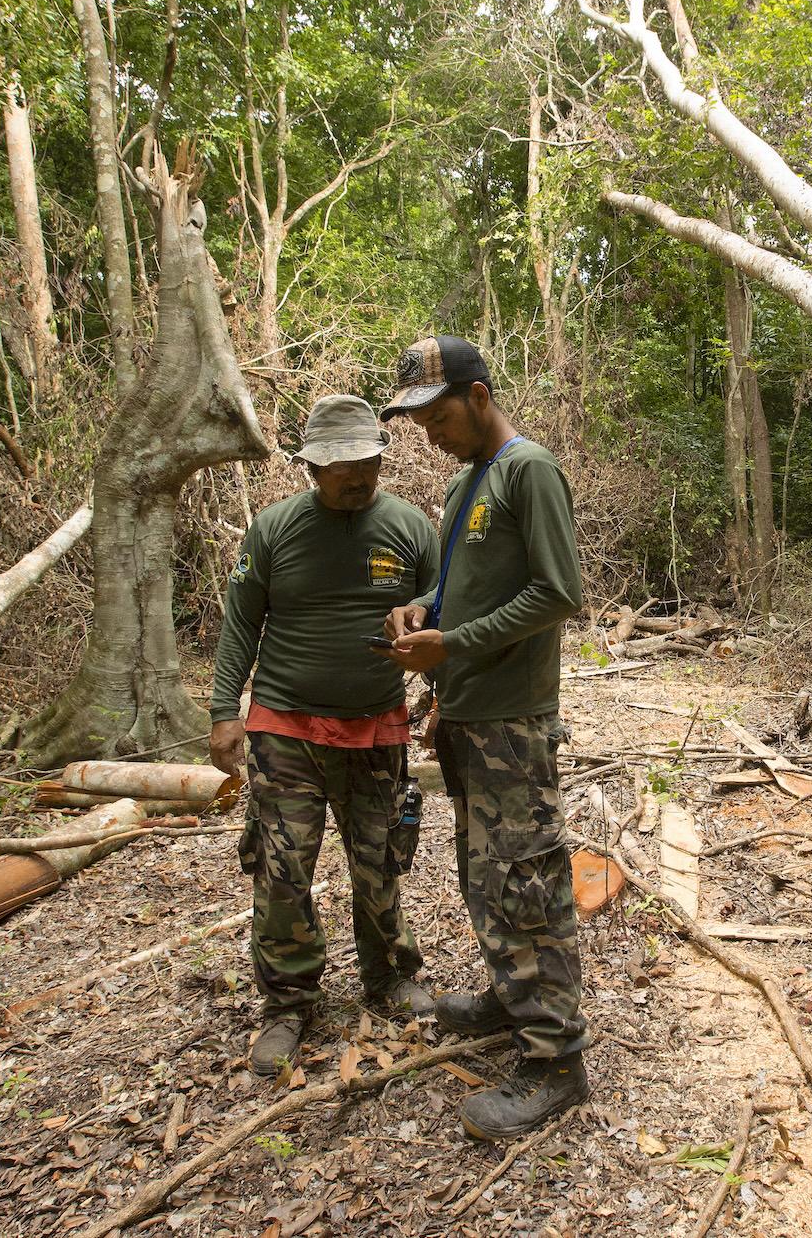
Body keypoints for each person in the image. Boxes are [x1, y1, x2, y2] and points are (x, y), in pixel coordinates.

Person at [378, 334, 589, 1139]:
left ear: (478, 396)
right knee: (488, 877)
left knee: (527, 883)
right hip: (469, 716)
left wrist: (454, 644)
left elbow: (559, 590)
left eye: (437, 417)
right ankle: (512, 996)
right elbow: (461, 586)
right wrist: (423, 609)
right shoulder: (467, 482)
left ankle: (556, 1059)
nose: (430, 434)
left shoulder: (527, 469)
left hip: (513, 719)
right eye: (419, 423)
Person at [209, 394, 439, 1079]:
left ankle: (389, 974)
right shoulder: (274, 530)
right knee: (283, 868)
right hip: (286, 727)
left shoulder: (410, 528)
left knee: (380, 860)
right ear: (311, 467)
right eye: (341, 467)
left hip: (377, 726)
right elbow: (241, 621)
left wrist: (441, 697)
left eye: (367, 462)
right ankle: (288, 1001)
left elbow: (443, 614)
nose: (357, 477)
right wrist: (224, 710)